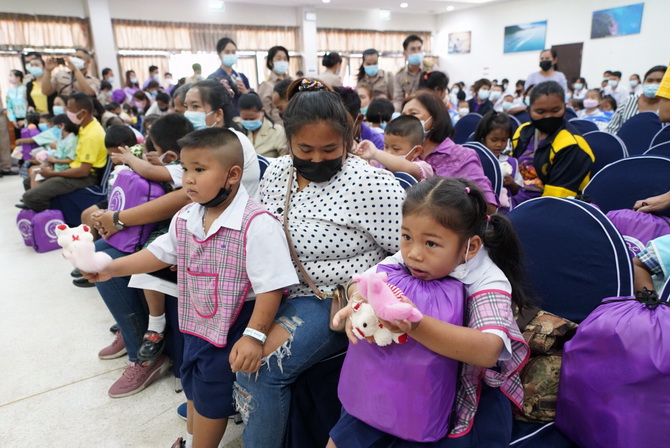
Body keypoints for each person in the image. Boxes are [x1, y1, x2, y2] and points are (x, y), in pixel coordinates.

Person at [84, 127, 298, 448]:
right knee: (193, 385)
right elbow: (158, 253)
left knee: (211, 397)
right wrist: (111, 267)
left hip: (233, 325)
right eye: (184, 169)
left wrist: (254, 337)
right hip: (196, 323)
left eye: (199, 169)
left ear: (232, 175)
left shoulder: (258, 224)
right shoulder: (186, 216)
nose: (188, 179)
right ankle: (190, 439)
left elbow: (271, 288)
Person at [233, 78, 406, 448]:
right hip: (275, 288)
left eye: (329, 149)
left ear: (348, 137)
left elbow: (410, 253)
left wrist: (366, 289)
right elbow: (260, 230)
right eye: (304, 149)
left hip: (330, 298)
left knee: (261, 369)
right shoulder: (278, 172)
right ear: (289, 140)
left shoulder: (370, 184)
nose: (315, 159)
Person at [328, 177, 530, 448]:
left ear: (470, 247)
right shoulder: (410, 259)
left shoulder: (487, 279)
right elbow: (363, 282)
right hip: (387, 381)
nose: (413, 253)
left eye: (431, 244)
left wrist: (416, 325)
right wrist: (356, 302)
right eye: (406, 237)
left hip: (456, 399)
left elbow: (487, 350)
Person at [402, 90, 499, 213]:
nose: (406, 120)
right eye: (403, 115)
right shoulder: (398, 153)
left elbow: (488, 205)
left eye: (413, 114)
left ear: (435, 118)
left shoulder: (462, 156)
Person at [511, 81, 594, 205]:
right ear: (528, 110)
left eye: (555, 110)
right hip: (516, 199)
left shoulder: (572, 146)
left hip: (550, 208)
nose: (548, 116)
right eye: (540, 112)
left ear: (564, 107)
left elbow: (553, 203)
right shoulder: (523, 131)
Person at [21, 93, 107, 211]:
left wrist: (53, 174)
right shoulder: (85, 126)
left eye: (70, 109)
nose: (67, 112)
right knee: (28, 181)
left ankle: (53, 218)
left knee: (31, 197)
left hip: (84, 177)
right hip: (73, 168)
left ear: (83, 113)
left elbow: (83, 171)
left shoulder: (92, 135)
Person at [181, 79, 260, 196]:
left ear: (218, 114)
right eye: (186, 107)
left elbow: (192, 193)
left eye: (195, 106)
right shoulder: (204, 141)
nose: (188, 113)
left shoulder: (230, 142)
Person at [356, 114, 434, 181]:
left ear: (416, 151)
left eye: (396, 149)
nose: (388, 153)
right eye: (386, 146)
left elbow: (407, 168)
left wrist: (375, 153)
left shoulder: (424, 167)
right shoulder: (380, 163)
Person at [474, 111, 522, 209]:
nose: (499, 144)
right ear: (483, 138)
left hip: (505, 211)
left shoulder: (512, 162)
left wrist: (512, 183)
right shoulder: (476, 160)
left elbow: (518, 191)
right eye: (494, 140)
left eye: (504, 140)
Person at [606, 65, 667, 134]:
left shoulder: (667, 107)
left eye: (659, 81)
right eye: (649, 81)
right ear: (644, 83)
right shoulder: (629, 102)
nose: (653, 84)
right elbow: (611, 129)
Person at [208, 37, 252, 115]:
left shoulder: (242, 77)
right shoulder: (213, 78)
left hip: (243, 117)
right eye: (227, 52)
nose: (231, 55)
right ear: (219, 54)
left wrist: (245, 92)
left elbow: (251, 101)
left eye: (233, 52)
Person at [235, 92, 287, 158]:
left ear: (262, 111)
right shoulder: (236, 127)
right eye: (245, 119)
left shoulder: (277, 131)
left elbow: (285, 156)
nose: (248, 122)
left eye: (252, 119)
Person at [393, 35, 436, 111]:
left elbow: (438, 92)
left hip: (429, 109)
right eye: (413, 49)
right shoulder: (400, 75)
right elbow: (398, 99)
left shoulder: (432, 69)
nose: (417, 52)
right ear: (405, 54)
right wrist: (397, 113)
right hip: (409, 110)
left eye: (419, 48)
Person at [257, 45, 290, 124]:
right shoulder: (266, 85)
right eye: (279, 59)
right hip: (278, 127)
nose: (282, 62)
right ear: (270, 62)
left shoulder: (292, 82)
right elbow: (265, 114)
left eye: (285, 59)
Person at [7, 70, 28, 139]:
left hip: (27, 118)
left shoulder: (25, 89)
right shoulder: (10, 91)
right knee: (19, 140)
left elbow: (29, 104)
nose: (9, 77)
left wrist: (26, 120)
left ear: (18, 77)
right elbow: (9, 107)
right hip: (16, 120)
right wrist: (13, 120)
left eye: (11, 75)